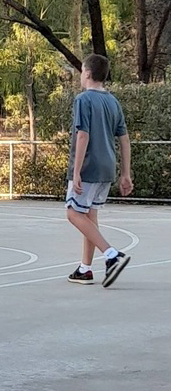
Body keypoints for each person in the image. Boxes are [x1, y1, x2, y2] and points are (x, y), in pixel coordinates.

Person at [66, 53, 133, 287]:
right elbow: (124, 139)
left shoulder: (83, 100)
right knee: (90, 216)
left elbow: (82, 135)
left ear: (87, 73)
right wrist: (126, 173)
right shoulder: (113, 101)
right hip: (107, 167)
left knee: (73, 213)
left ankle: (112, 255)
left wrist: (76, 172)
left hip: (89, 167)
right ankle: (85, 269)